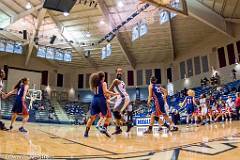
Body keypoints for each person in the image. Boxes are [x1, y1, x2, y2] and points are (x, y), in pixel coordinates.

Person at [84, 72, 118, 137]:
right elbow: (106, 92)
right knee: (108, 116)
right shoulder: (104, 83)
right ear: (103, 77)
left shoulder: (94, 84)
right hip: (101, 100)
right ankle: (104, 128)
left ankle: (86, 133)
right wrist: (115, 94)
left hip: (94, 100)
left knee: (91, 118)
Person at [109, 68, 133, 134]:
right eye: (118, 71)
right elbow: (117, 91)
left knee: (115, 112)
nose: (119, 72)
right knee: (116, 112)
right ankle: (118, 128)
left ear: (122, 73)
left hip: (123, 98)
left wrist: (105, 94)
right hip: (122, 97)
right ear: (116, 72)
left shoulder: (116, 80)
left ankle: (127, 124)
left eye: (121, 72)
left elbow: (110, 89)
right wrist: (115, 94)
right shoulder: (122, 82)